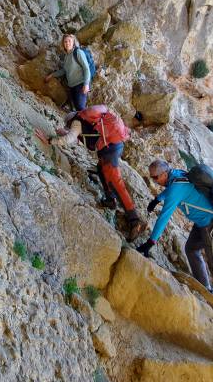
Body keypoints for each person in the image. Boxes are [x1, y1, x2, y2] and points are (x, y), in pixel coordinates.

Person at [35, 105, 145, 240]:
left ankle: (135, 221)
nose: (70, 128)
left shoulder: (77, 121)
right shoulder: (88, 119)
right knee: (101, 169)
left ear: (70, 121)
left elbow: (71, 139)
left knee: (116, 181)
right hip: (115, 144)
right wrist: (64, 133)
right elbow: (78, 137)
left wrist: (50, 141)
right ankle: (110, 200)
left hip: (110, 148)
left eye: (69, 126)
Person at [138, 159, 213, 292]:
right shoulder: (176, 174)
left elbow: (164, 217)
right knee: (191, 249)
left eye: (155, 177)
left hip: (209, 221)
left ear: (164, 174)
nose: (154, 181)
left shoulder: (175, 190)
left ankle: (208, 291)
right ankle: (205, 288)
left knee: (210, 257)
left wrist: (151, 241)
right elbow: (174, 185)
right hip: (202, 220)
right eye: (152, 177)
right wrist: (157, 199)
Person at [45, 34, 90, 111]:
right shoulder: (66, 57)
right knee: (75, 109)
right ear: (63, 44)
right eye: (65, 42)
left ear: (73, 43)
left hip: (80, 85)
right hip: (72, 86)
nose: (67, 43)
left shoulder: (78, 52)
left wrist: (86, 84)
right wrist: (52, 75)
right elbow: (64, 70)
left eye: (69, 41)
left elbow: (86, 69)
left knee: (80, 108)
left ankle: (88, 123)